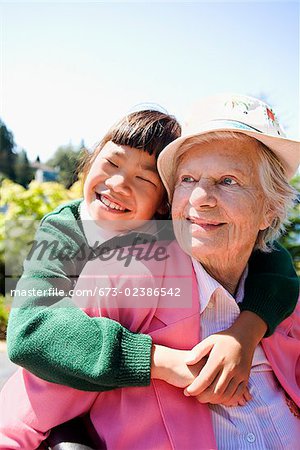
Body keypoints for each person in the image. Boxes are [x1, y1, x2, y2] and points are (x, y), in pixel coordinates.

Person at [0, 95, 299, 449]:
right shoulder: (77, 241)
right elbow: (32, 336)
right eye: (188, 178)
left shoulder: (277, 293)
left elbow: (276, 265)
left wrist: (244, 333)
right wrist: (158, 359)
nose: (201, 197)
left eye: (229, 181)